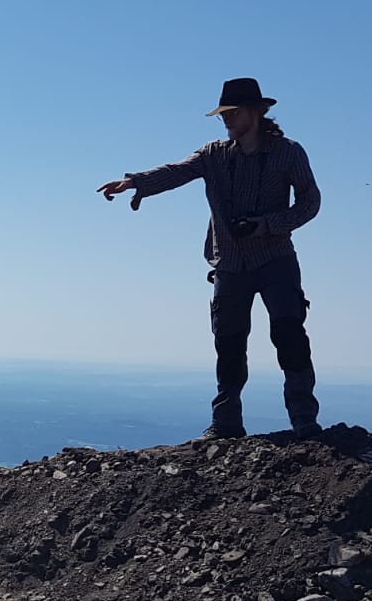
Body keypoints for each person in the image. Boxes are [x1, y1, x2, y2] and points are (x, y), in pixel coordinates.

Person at [98, 77, 323, 440]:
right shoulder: (214, 154)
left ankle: (305, 423)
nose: (227, 120)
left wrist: (266, 225)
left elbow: (310, 203)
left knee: (289, 334)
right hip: (229, 264)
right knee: (229, 344)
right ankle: (225, 425)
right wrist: (135, 182)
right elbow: (177, 171)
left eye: (233, 113)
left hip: (276, 259)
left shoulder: (288, 153)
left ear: (257, 112)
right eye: (223, 114)